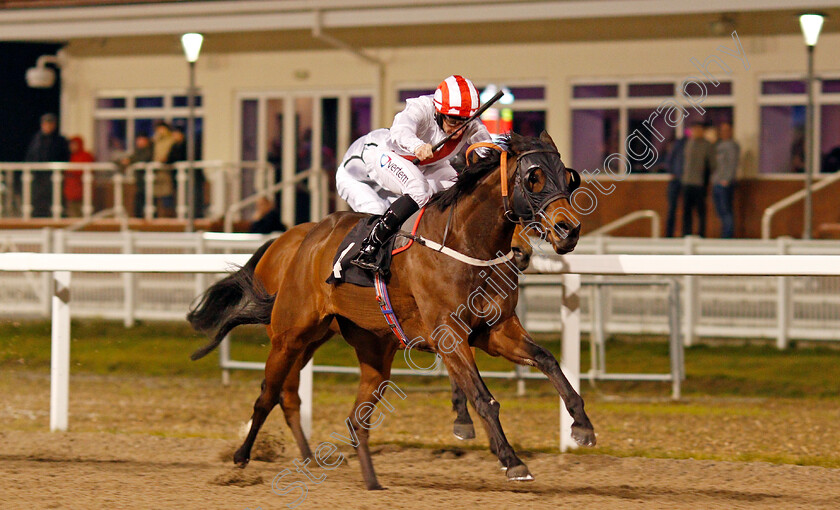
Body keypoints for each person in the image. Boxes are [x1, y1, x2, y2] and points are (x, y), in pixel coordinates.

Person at [337, 75, 492, 272]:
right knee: (413, 191)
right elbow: (401, 130)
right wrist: (417, 145)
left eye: (465, 122)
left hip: (414, 166)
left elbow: (489, 150)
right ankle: (369, 247)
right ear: (438, 110)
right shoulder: (421, 107)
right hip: (363, 172)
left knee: (458, 188)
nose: (459, 130)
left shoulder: (467, 123)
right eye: (453, 120)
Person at [24, 113, 69, 218]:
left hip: (53, 176)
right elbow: (30, 156)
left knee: (55, 199)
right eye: (45, 123)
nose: (48, 126)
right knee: (38, 200)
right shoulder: (36, 139)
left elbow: (65, 157)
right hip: (38, 177)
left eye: (50, 123)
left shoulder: (60, 140)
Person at [680, 122, 716, 237]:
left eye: (698, 130)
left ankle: (701, 234)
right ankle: (686, 234)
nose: (696, 132)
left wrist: (707, 178)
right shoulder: (687, 143)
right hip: (686, 182)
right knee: (686, 211)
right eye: (694, 129)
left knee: (701, 211)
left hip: (700, 183)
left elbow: (712, 164)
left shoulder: (707, 145)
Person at [712, 123, 739, 239]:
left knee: (726, 210)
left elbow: (733, 164)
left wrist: (727, 180)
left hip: (724, 183)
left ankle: (727, 236)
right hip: (716, 182)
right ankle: (724, 233)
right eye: (722, 130)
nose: (724, 133)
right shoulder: (718, 145)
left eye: (727, 130)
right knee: (720, 211)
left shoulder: (732, 146)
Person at [119, 135, 154, 218]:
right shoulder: (138, 151)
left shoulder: (150, 150)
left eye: (142, 140)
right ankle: (138, 216)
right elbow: (132, 158)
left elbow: (144, 159)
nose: (139, 142)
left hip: (148, 179)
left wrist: (131, 161)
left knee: (148, 198)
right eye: (138, 140)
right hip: (139, 179)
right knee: (139, 197)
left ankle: (147, 217)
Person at [151, 121, 176, 217]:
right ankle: (155, 216)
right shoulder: (156, 140)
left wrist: (165, 159)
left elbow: (170, 153)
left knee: (167, 194)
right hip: (156, 171)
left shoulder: (170, 140)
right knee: (154, 195)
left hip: (166, 170)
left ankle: (169, 215)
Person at [662, 134, 686, 237]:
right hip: (676, 180)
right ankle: (669, 234)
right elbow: (668, 161)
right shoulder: (679, 145)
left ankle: (684, 234)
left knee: (686, 209)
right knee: (672, 209)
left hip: (687, 181)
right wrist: (672, 172)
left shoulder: (693, 145)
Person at [65, 136, 94, 217]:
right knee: (72, 214)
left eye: (74, 144)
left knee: (83, 213)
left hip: (82, 190)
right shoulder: (70, 156)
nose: (72, 146)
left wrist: (72, 171)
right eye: (71, 144)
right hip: (71, 191)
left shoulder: (86, 155)